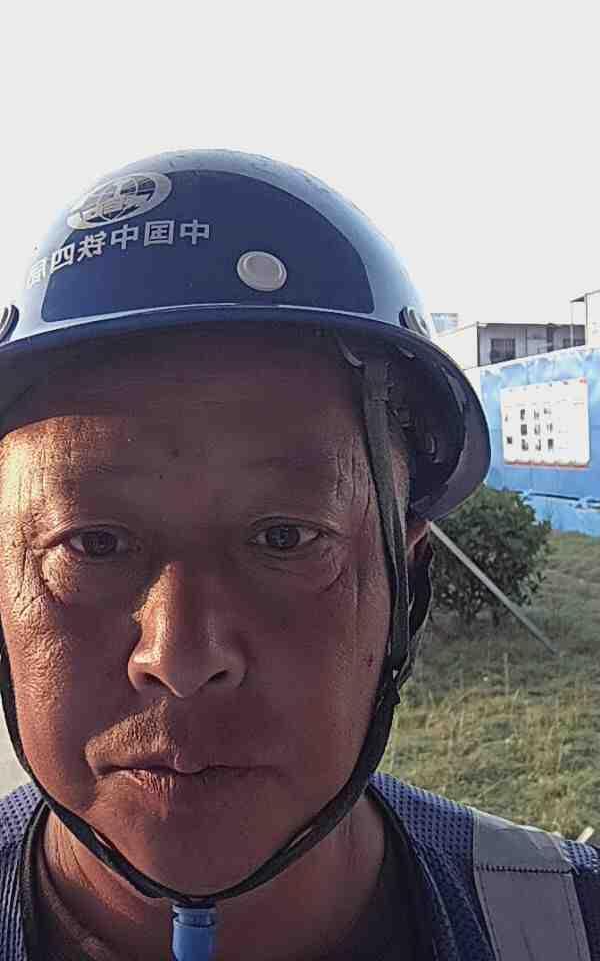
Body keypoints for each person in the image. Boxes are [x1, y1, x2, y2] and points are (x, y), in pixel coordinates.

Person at [0, 151, 596, 961]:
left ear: (406, 582)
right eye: (92, 544)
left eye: (284, 538)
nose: (182, 659)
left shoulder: (568, 927)